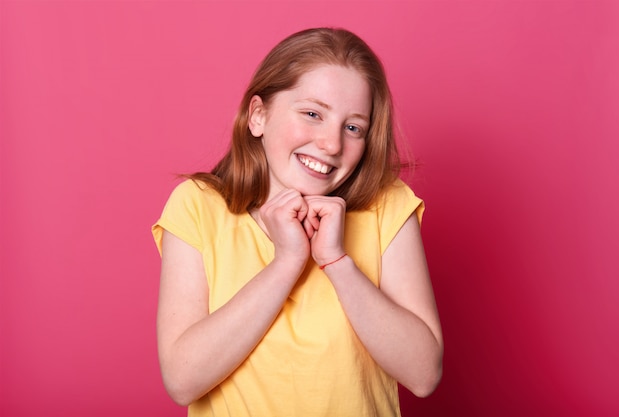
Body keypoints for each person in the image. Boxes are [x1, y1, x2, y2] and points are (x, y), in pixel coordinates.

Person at [152, 27, 443, 417]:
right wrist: (286, 263)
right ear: (258, 115)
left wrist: (337, 262)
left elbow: (424, 374)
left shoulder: (386, 207)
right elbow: (182, 379)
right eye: (312, 114)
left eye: (353, 127)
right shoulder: (198, 206)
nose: (332, 144)